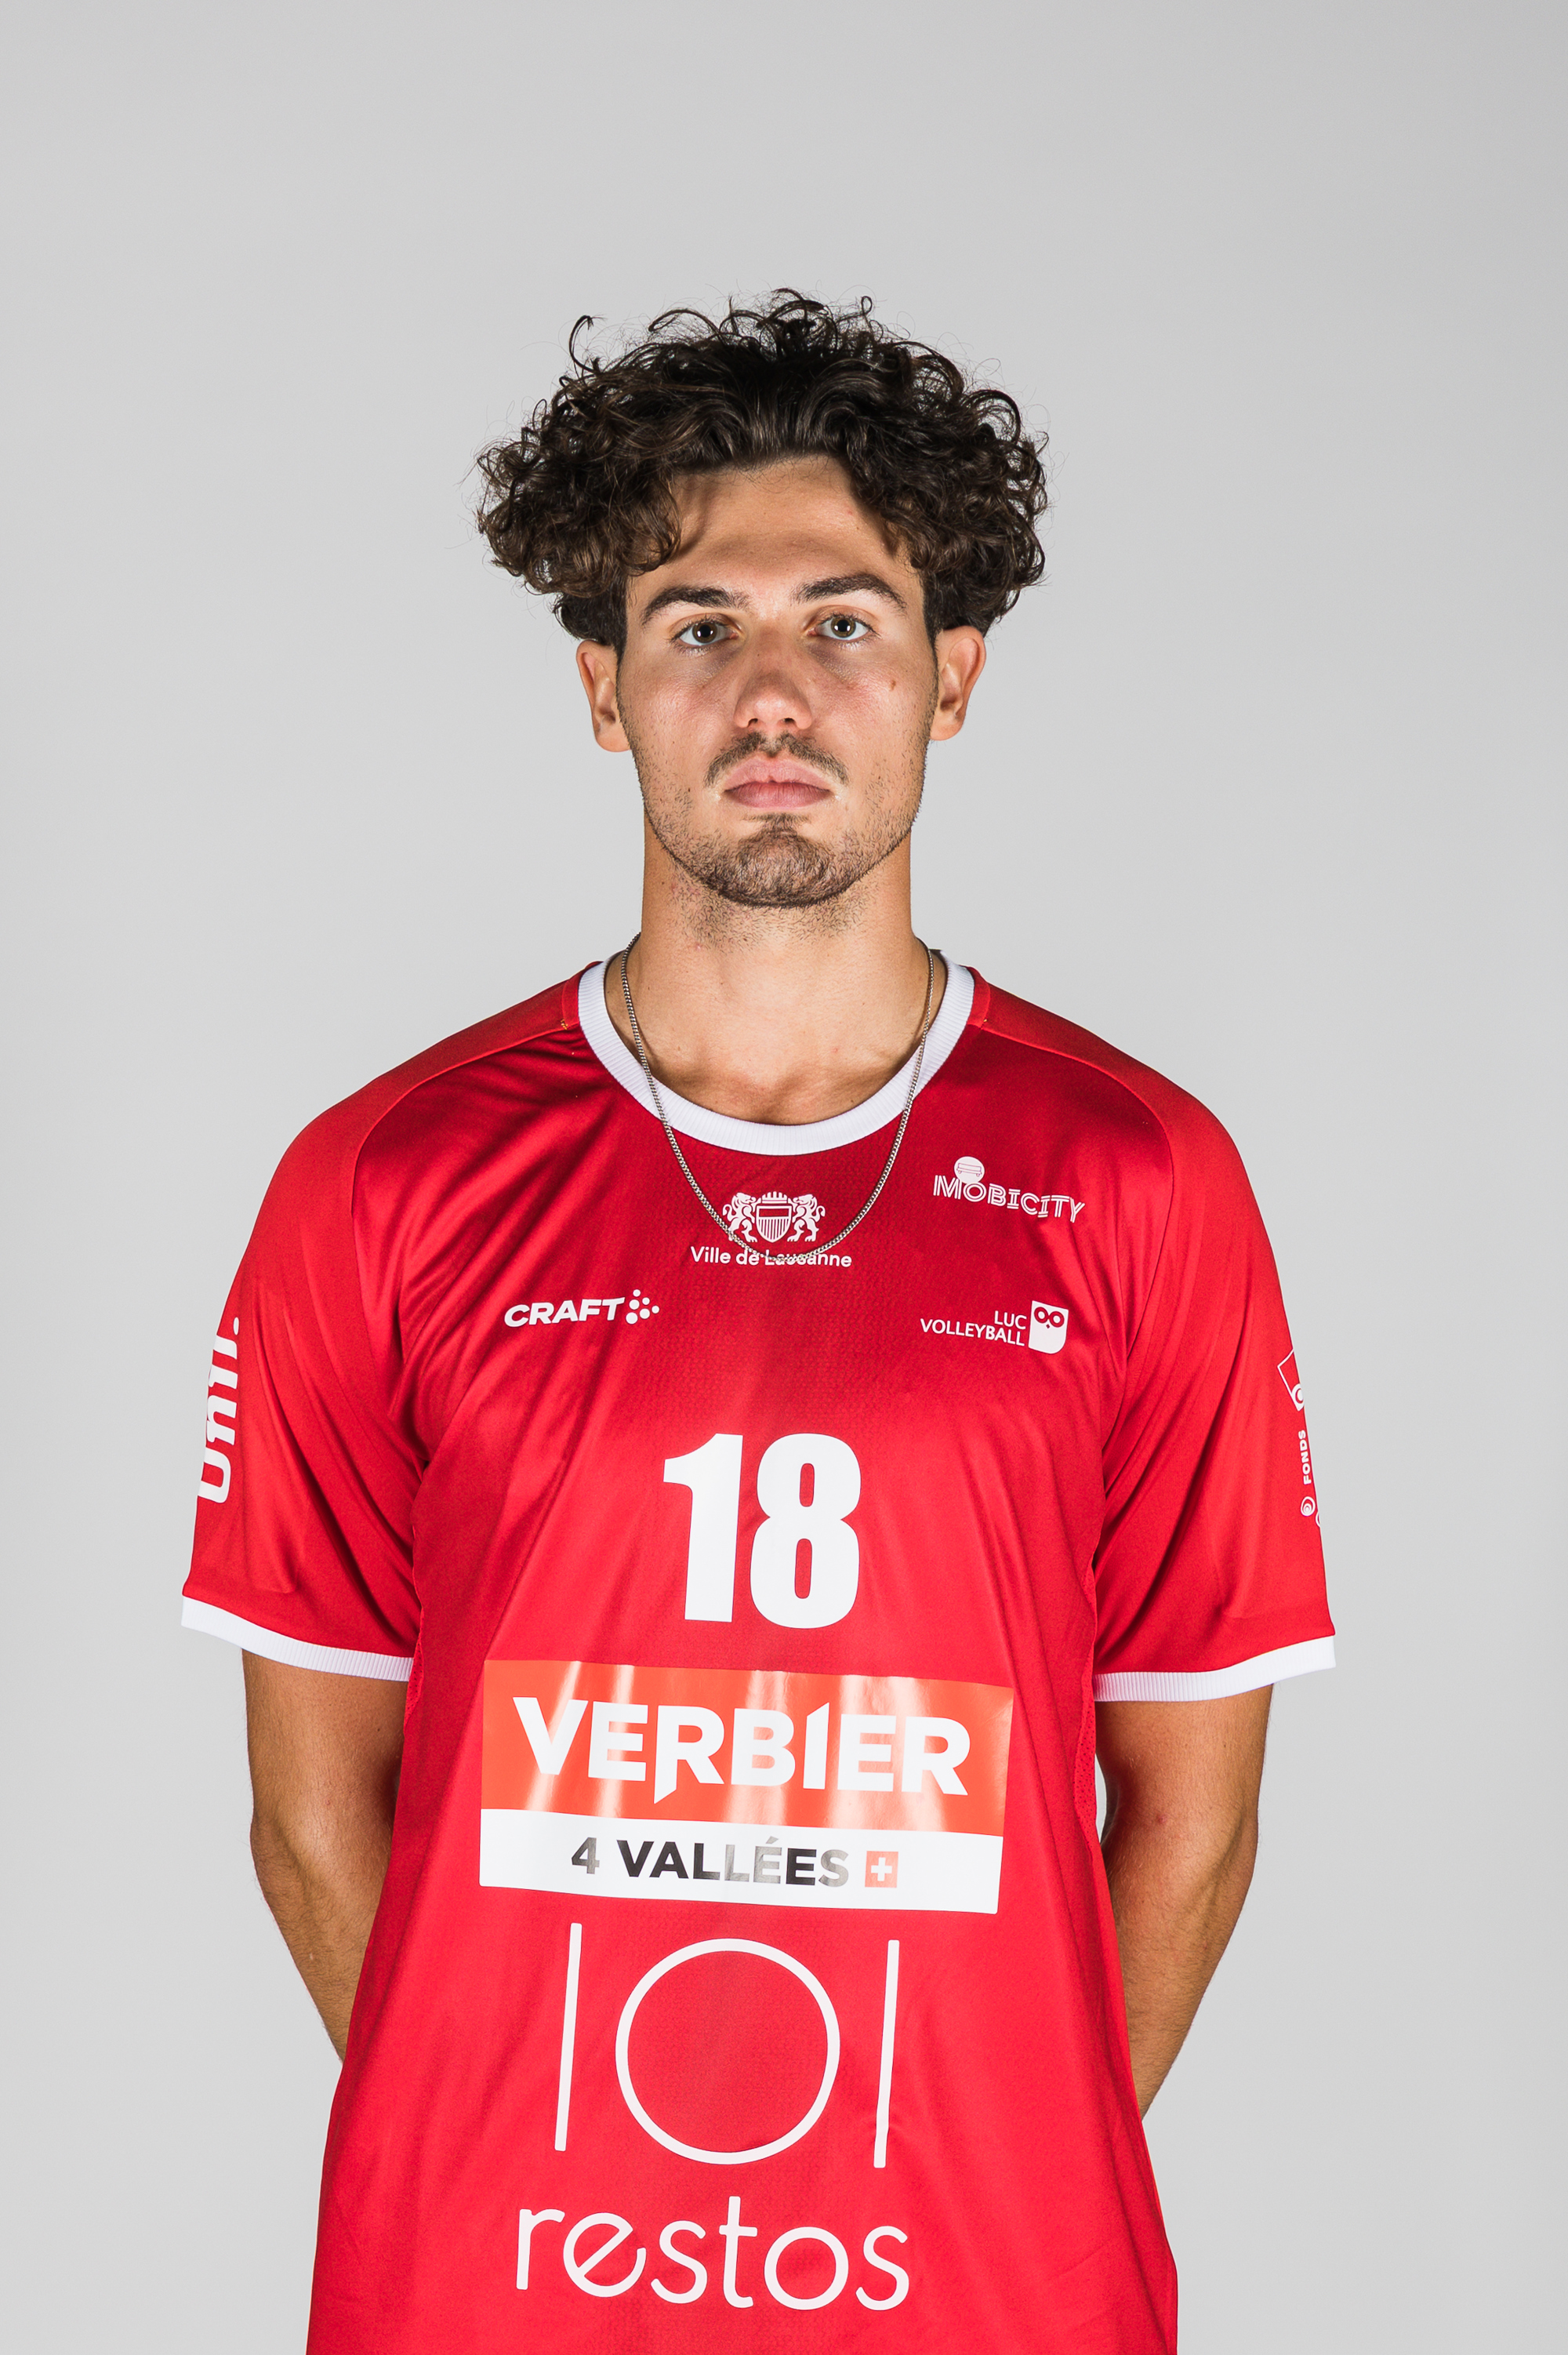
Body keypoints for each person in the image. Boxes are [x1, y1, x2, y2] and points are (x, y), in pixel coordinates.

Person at [183, 293, 1334, 2352]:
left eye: (846, 622)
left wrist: (998, 2167)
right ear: (605, 688)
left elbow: (1194, 1815)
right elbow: (309, 1812)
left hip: (975, 2291)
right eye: (700, 624)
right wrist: (508, 2147)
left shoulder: (1142, 1179)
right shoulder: (381, 1180)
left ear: (952, 675)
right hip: (498, 2289)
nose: (775, 692)